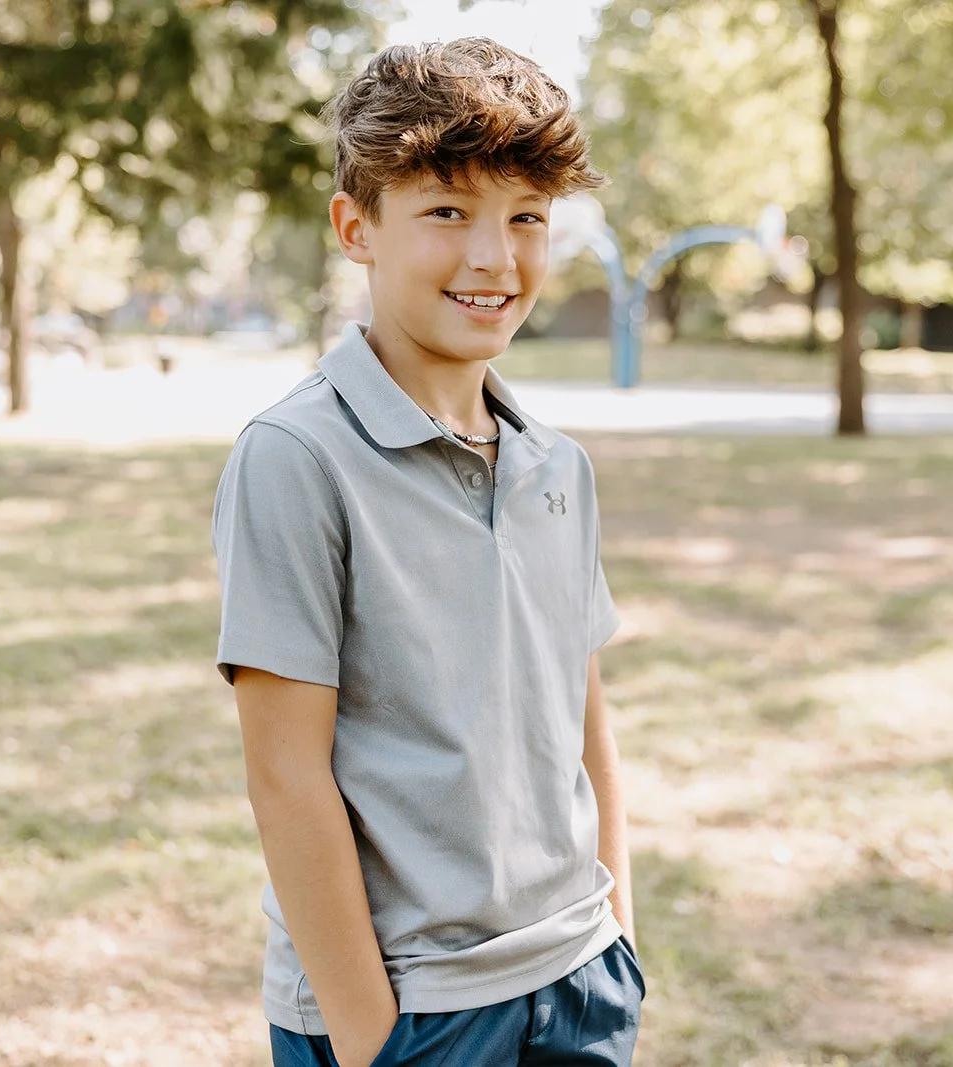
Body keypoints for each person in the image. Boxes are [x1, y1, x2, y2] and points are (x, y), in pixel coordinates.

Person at [212, 37, 641, 1067]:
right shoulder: (296, 457)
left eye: (526, 217)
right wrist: (371, 1036)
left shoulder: (557, 464)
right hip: (415, 1009)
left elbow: (584, 719)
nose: (494, 257)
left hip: (578, 977)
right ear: (355, 228)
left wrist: (617, 932)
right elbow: (285, 773)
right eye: (448, 212)